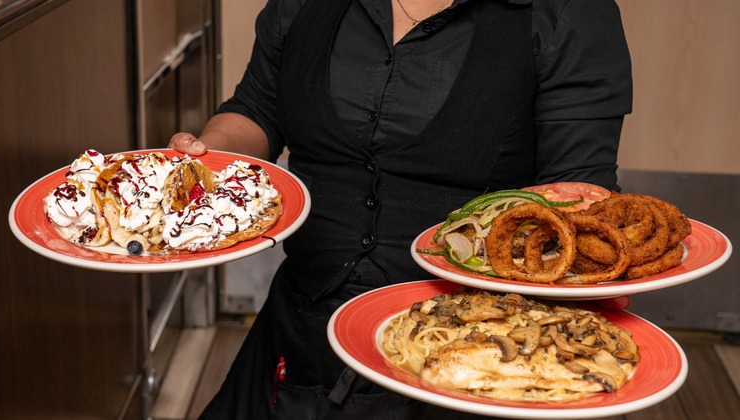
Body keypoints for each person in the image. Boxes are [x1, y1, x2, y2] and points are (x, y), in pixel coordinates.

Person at [170, 0, 633, 418]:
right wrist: (206, 156)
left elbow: (581, 195)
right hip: (304, 326)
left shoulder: (569, 12)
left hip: (474, 348)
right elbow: (258, 109)